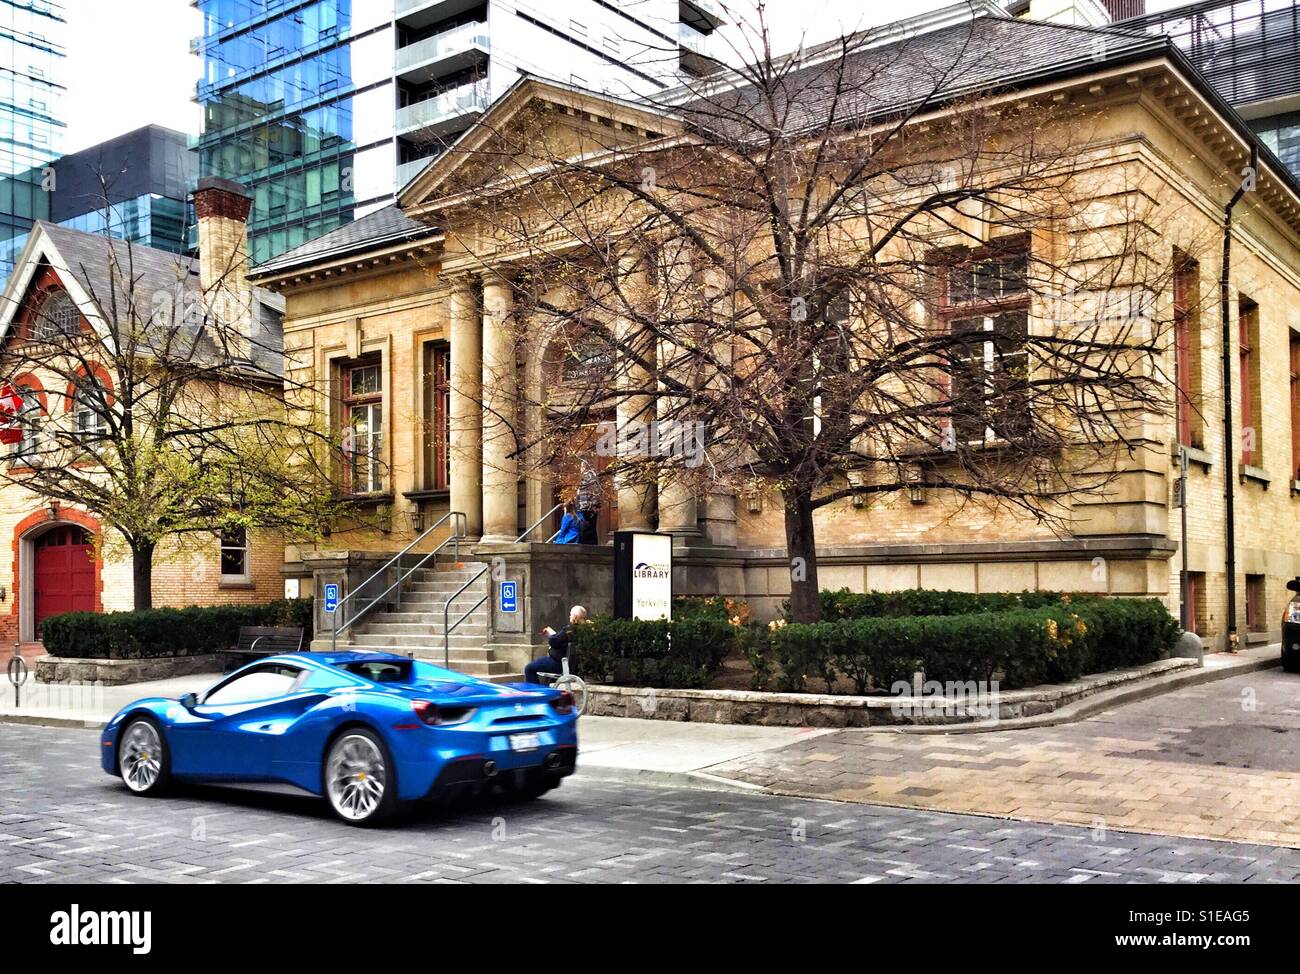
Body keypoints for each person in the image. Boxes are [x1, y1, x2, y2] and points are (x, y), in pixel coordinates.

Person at [524, 605, 588, 684]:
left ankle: (534, 693)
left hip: (559, 662)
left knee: (529, 668)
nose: (569, 616)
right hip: (574, 665)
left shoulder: (568, 629)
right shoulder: (585, 630)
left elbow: (554, 642)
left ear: (575, 616)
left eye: (571, 614)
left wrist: (550, 635)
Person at [576, 459, 600, 545]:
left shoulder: (588, 476)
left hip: (588, 508)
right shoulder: (591, 476)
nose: (580, 469)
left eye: (581, 467)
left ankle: (588, 549)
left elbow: (592, 492)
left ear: (584, 467)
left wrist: (589, 506)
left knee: (587, 530)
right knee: (591, 530)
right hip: (589, 507)